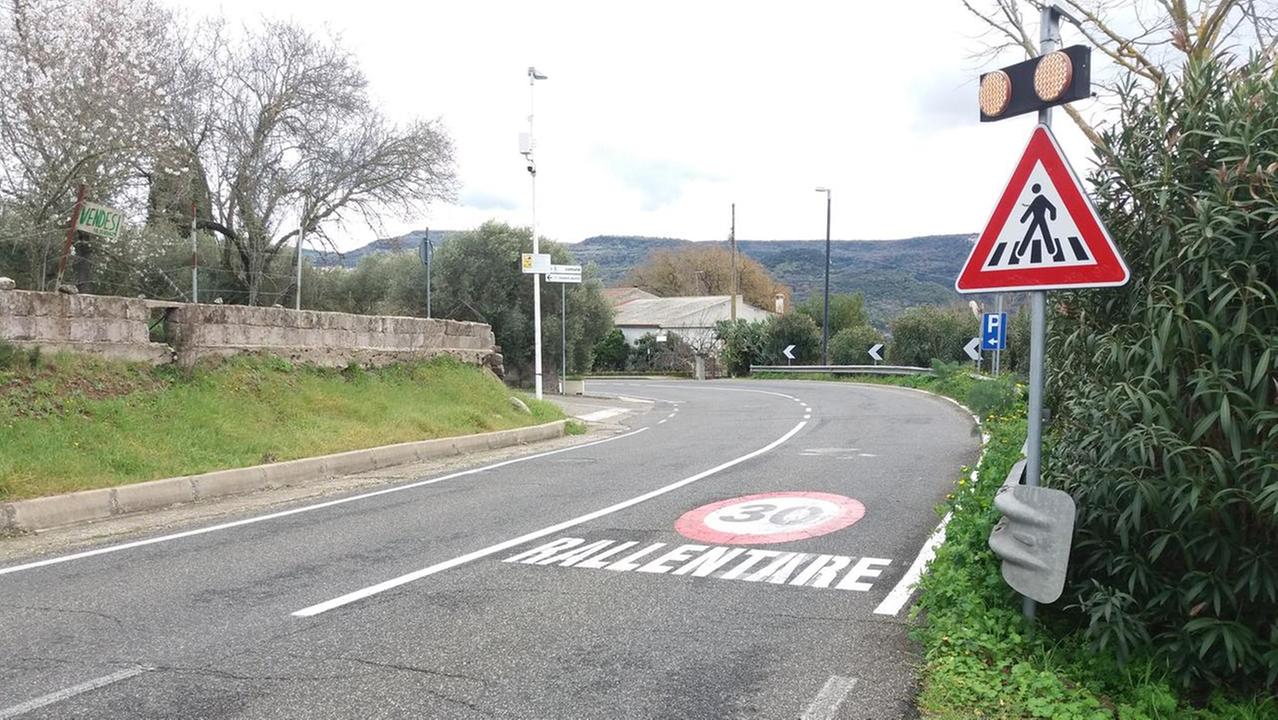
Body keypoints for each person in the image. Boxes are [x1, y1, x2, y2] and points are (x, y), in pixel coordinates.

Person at [1013, 184, 1061, 264]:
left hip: (1039, 218)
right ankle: (1051, 250)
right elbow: (1031, 209)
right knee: (1040, 234)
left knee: (1033, 234)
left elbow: (1052, 208)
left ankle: (1021, 252)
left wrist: (1053, 217)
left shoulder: (1041, 198)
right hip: (1037, 219)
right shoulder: (1037, 199)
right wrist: (1023, 219)